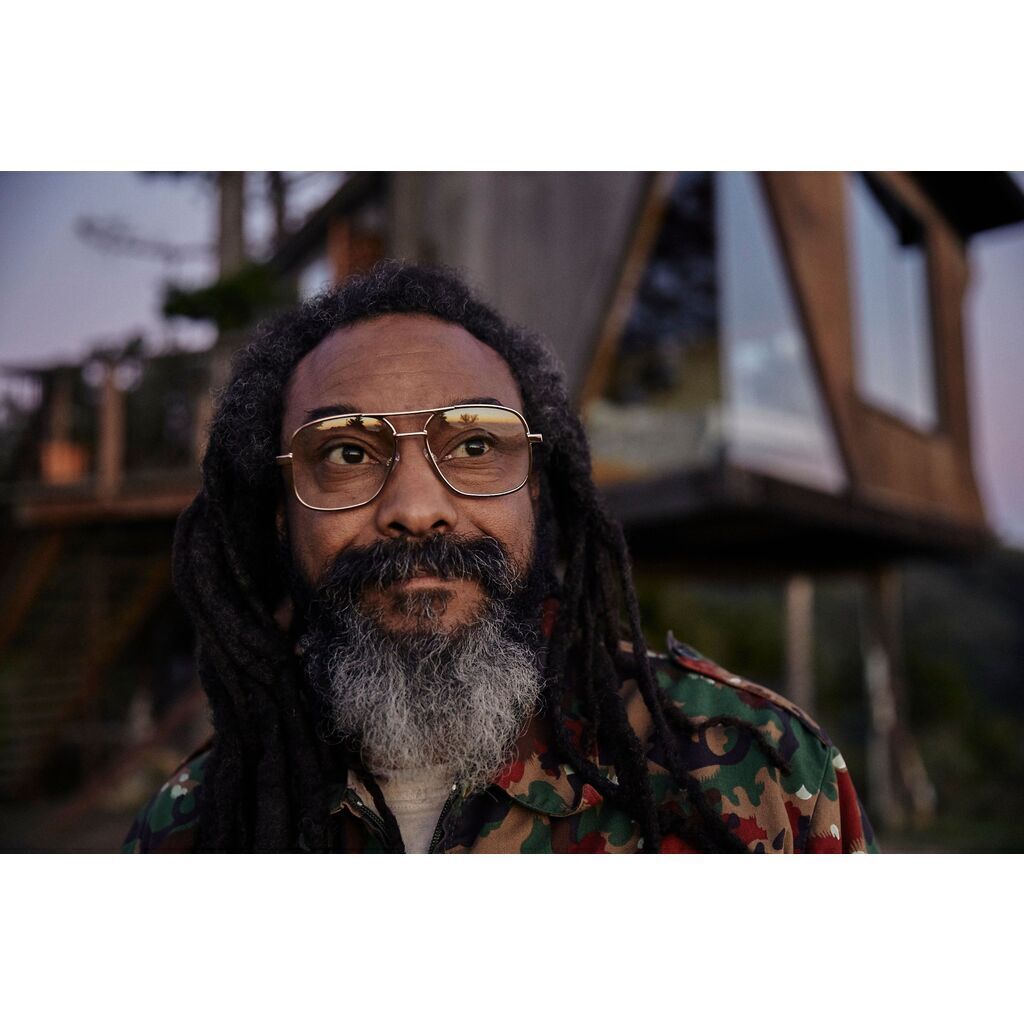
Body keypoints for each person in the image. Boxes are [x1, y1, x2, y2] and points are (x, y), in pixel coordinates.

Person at [124, 261, 877, 854]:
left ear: (536, 492)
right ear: (280, 513)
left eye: (476, 444)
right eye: (347, 452)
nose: (417, 508)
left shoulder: (767, 777)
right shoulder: (189, 832)